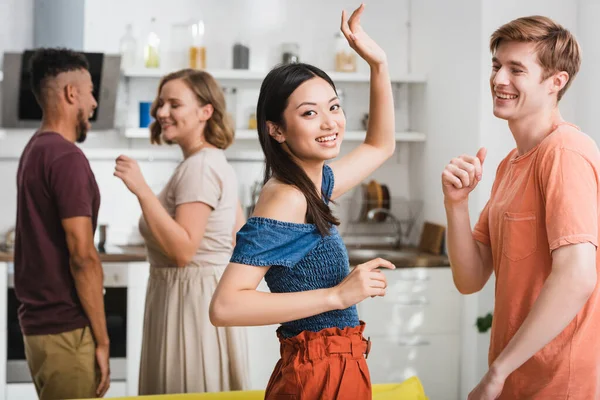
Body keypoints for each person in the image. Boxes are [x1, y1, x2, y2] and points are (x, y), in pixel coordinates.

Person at [209, 5, 396, 399]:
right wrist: (338, 296)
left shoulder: (314, 184)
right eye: (310, 113)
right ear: (276, 130)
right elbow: (225, 307)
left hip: (336, 362)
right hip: (319, 372)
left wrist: (378, 65)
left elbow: (380, 145)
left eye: (334, 106)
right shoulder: (287, 197)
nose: (330, 122)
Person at [441, 16, 600, 399]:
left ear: (555, 82)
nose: (498, 80)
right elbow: (470, 278)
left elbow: (578, 276)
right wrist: (456, 204)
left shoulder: (564, 153)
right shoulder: (510, 163)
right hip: (517, 381)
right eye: (497, 66)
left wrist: (497, 372)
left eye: (516, 70)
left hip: (557, 384)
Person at [113, 68, 248, 394]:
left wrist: (141, 189)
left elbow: (183, 251)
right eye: (161, 104)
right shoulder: (212, 161)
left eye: (174, 104)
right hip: (202, 296)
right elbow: (239, 237)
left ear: (205, 111)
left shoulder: (199, 168)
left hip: (188, 303)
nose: (161, 112)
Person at [14, 48, 110, 400]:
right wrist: (102, 341)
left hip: (39, 330)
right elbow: (82, 256)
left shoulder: (34, 150)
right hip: (67, 331)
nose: (94, 103)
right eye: (89, 92)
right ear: (71, 94)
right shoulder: (67, 157)